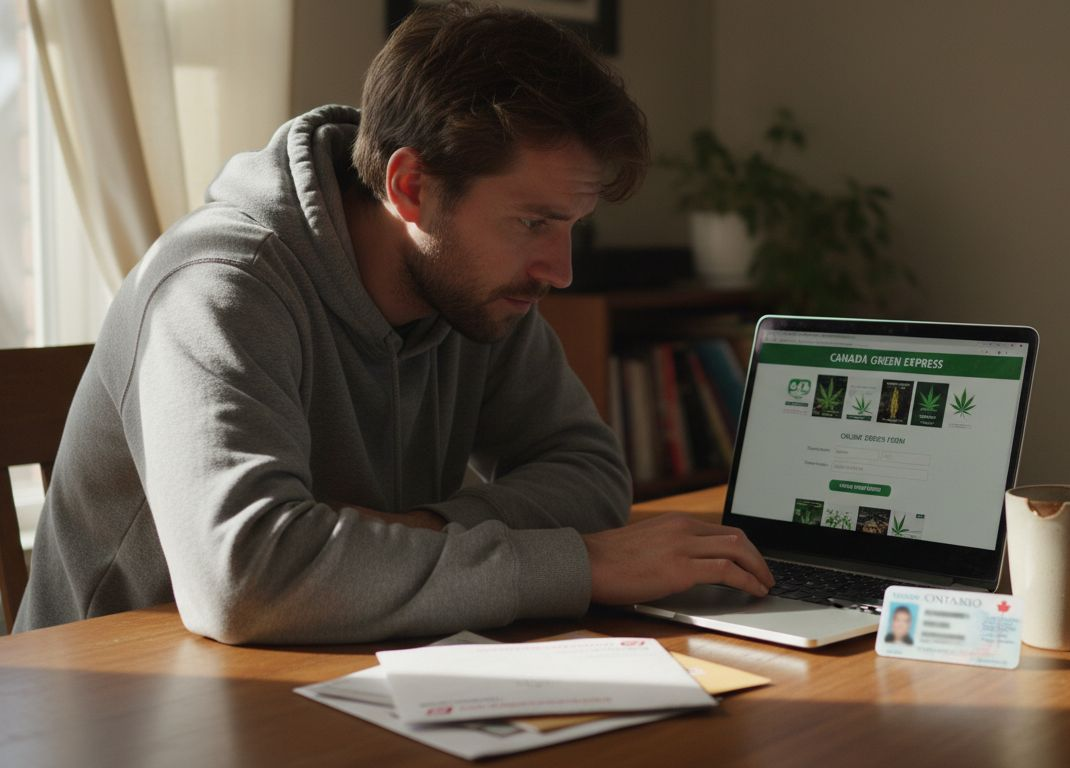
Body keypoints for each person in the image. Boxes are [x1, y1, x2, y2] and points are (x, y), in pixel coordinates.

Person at [15, 2, 772, 643]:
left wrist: (407, 530)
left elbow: (590, 475)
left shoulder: (476, 292)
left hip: (347, 674)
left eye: (572, 225)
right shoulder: (218, 285)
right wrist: (583, 563)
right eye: (534, 222)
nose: (560, 270)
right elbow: (243, 574)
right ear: (412, 187)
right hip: (118, 707)